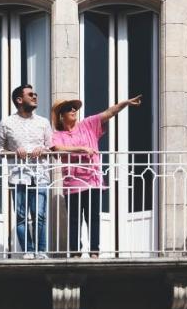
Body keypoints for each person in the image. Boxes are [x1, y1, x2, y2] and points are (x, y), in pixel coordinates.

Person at [50, 93, 143, 257]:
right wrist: (81, 149)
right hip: (72, 183)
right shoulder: (58, 135)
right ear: (61, 115)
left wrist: (125, 103)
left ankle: (94, 251)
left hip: (92, 180)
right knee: (74, 219)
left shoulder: (88, 124)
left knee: (93, 217)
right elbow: (56, 149)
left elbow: (109, 113)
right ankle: (75, 253)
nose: (73, 110)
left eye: (74, 108)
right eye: (68, 108)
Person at [0, 83, 53, 257]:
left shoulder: (43, 122)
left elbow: (52, 149)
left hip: (40, 174)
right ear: (19, 100)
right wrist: (13, 152)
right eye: (30, 94)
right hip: (18, 176)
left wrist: (43, 150)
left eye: (35, 94)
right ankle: (28, 250)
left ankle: (41, 251)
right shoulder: (6, 123)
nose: (35, 97)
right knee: (21, 215)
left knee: (39, 215)